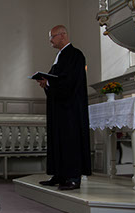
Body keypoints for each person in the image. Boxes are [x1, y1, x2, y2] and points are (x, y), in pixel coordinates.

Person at [37, 25, 91, 190]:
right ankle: (60, 174)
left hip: (71, 108)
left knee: (70, 140)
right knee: (58, 139)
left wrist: (50, 82)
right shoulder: (61, 56)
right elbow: (56, 78)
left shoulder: (75, 55)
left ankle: (73, 177)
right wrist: (46, 83)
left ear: (62, 35)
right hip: (59, 107)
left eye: (52, 37)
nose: (50, 41)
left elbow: (70, 80)